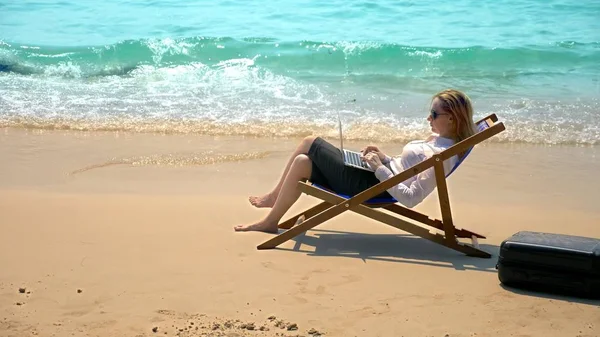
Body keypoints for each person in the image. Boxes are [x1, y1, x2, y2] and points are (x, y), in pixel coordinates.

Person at [234, 89, 477, 233]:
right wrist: (383, 157)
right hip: (375, 175)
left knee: (310, 141)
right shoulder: (438, 141)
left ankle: (272, 205)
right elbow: (406, 168)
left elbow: (411, 198)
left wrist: (379, 168)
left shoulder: (442, 155)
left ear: (453, 119)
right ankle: (272, 217)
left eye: (434, 114)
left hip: (371, 186)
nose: (428, 118)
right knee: (301, 162)